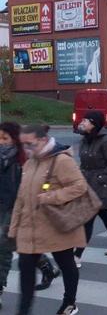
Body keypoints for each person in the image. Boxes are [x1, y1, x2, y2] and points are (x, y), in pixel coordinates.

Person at [10, 124, 87, 315]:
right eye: (23, 145)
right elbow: (21, 198)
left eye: (30, 144)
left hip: (57, 223)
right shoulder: (30, 163)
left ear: (43, 140)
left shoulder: (61, 160)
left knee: (66, 263)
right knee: (26, 270)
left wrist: (51, 197)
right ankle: (23, 311)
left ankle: (69, 303)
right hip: (31, 228)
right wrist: (13, 228)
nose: (26, 149)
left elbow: (80, 186)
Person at [74, 111, 107, 268]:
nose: (82, 123)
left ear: (94, 123)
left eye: (85, 120)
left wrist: (99, 179)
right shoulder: (85, 139)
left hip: (101, 185)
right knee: (104, 215)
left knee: (88, 219)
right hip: (87, 184)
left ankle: (77, 256)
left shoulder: (106, 140)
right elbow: (84, 163)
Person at [0, 122, 27, 309]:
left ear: (14, 139)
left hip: (13, 211)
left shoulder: (22, 161)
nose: (0, 142)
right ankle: (46, 268)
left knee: (4, 250)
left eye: (4, 138)